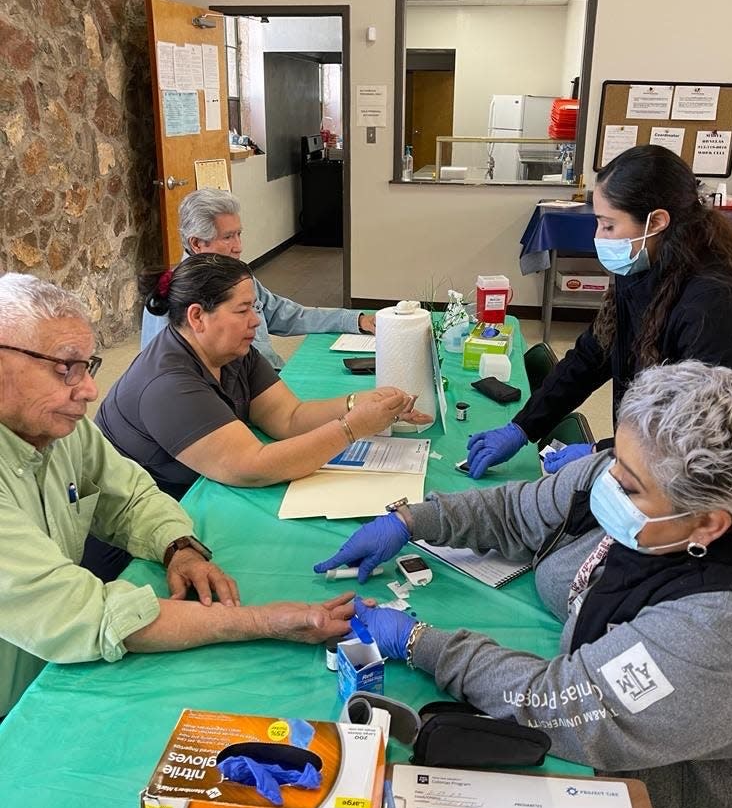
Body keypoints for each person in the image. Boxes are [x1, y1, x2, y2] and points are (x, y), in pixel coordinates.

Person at [315, 361, 732, 808]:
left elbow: (559, 703)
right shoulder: (632, 484)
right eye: (615, 458)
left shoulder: (724, 633)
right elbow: (517, 510)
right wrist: (413, 519)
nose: (607, 485)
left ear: (707, 524)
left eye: (631, 487)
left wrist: (421, 641)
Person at [0, 273, 357, 720]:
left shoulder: (57, 428)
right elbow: (84, 613)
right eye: (64, 367)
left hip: (47, 669)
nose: (90, 389)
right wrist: (263, 621)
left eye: (87, 366)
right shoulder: (157, 380)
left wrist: (177, 547)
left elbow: (128, 495)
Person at [467, 144, 732, 478]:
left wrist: (605, 451)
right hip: (652, 456)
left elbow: (703, 427)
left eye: (608, 226)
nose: (599, 237)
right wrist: (522, 427)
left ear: (657, 221)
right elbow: (591, 357)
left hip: (712, 473)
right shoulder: (645, 267)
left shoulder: (719, 301)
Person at [96, 254, 430, 500]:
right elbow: (250, 466)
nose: (256, 321)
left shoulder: (232, 352)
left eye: (254, 308)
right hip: (139, 531)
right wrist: (352, 427)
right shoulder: (168, 384)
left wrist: (358, 402)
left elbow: (288, 416)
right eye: (242, 311)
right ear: (197, 316)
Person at [140, 189, 375, 369]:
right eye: (228, 237)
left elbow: (285, 314)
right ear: (197, 243)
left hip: (271, 377)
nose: (238, 247)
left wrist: (353, 320)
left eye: (239, 234)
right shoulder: (174, 294)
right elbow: (164, 374)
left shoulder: (237, 276)